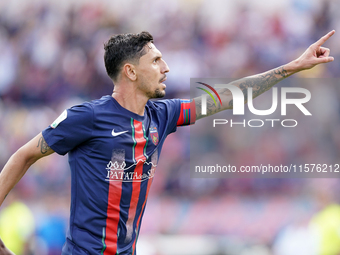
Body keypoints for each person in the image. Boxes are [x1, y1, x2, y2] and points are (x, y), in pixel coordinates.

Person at [0, 30, 335, 255]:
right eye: (156, 61)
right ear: (131, 72)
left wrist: (293, 67)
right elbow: (23, 155)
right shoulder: (86, 118)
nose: (166, 68)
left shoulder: (162, 115)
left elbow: (229, 97)